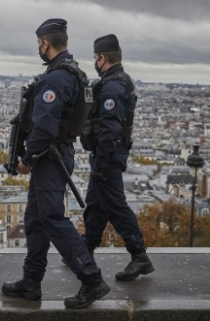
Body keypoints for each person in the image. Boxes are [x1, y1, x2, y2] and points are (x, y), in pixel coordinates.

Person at [1, 18, 110, 309]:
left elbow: (45, 127)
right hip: (56, 154)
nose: (39, 47)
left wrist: (26, 159)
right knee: (35, 221)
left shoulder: (56, 78)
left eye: (39, 43)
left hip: (50, 157)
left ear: (45, 43)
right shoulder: (73, 72)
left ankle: (91, 278)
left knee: (52, 219)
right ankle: (31, 282)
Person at [80, 34, 154, 281]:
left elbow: (109, 129)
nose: (94, 62)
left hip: (108, 155)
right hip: (106, 154)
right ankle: (84, 252)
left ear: (103, 58)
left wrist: (101, 162)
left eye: (95, 58)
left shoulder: (113, 86)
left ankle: (139, 256)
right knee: (96, 205)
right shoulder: (115, 81)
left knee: (114, 206)